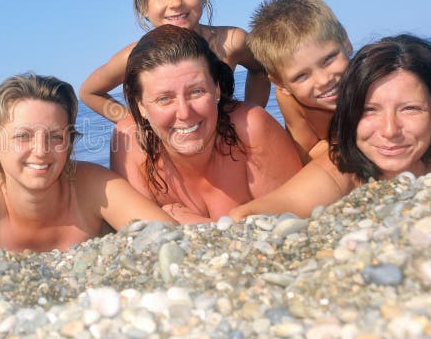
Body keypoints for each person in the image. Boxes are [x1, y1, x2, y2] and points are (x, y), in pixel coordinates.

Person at [0, 73, 174, 255]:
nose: (41, 151)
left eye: (54, 137)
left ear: (70, 143)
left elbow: (175, 238)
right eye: (22, 136)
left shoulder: (94, 187)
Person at [231, 34, 431, 220]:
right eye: (369, 110)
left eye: (410, 109)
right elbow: (248, 216)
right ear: (348, 114)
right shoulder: (342, 168)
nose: (390, 130)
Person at [112, 25, 303, 223]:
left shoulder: (251, 128)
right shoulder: (131, 143)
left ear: (217, 90)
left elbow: (293, 226)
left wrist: (194, 225)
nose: (184, 113)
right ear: (141, 106)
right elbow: (138, 240)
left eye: (196, 91)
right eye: (164, 99)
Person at [80, 0, 269, 123]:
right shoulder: (134, 57)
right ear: (142, 7)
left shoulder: (230, 41)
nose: (176, 2)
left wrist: (249, 117)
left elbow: (261, 71)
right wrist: (134, 124)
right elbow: (89, 92)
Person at [247, 0, 353, 163]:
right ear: (281, 84)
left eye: (328, 59)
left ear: (346, 42)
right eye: (301, 76)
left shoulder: (371, 79)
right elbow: (306, 153)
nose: (323, 80)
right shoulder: (289, 99)